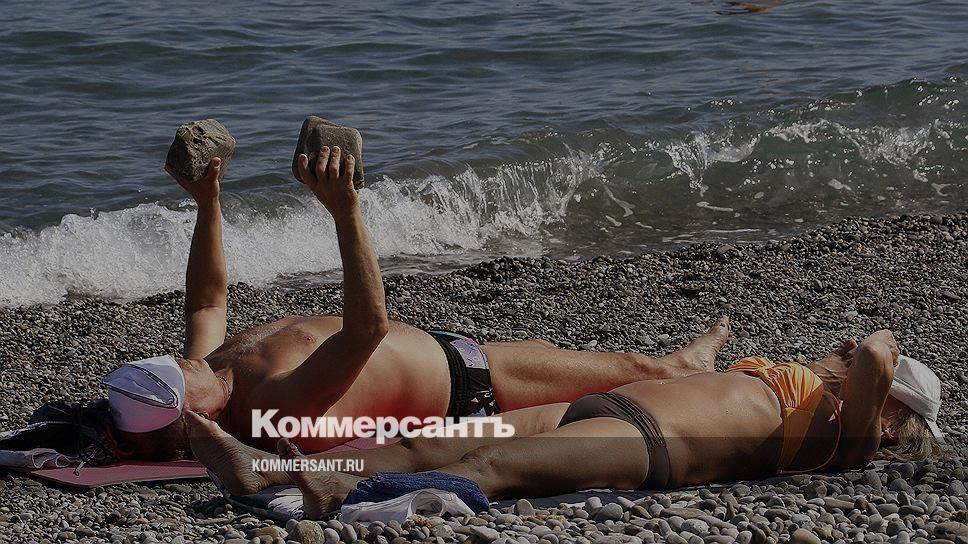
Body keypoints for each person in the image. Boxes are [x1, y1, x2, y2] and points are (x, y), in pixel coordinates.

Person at [102, 146, 731, 460]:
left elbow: (205, 302)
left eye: (162, 362)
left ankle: (679, 377)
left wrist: (207, 201)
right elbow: (366, 329)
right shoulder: (271, 407)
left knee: (564, 355)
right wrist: (346, 211)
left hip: (453, 353)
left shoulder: (211, 370)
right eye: (173, 377)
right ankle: (689, 371)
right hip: (470, 386)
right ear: (197, 421)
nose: (178, 362)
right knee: (637, 374)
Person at [187, 329, 946, 519]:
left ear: (892, 420)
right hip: (604, 409)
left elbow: (876, 352)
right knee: (433, 440)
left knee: (492, 470)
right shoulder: (819, 398)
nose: (840, 350)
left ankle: (329, 492)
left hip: (642, 444)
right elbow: (869, 359)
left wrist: (883, 367)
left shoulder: (848, 440)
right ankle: (272, 467)